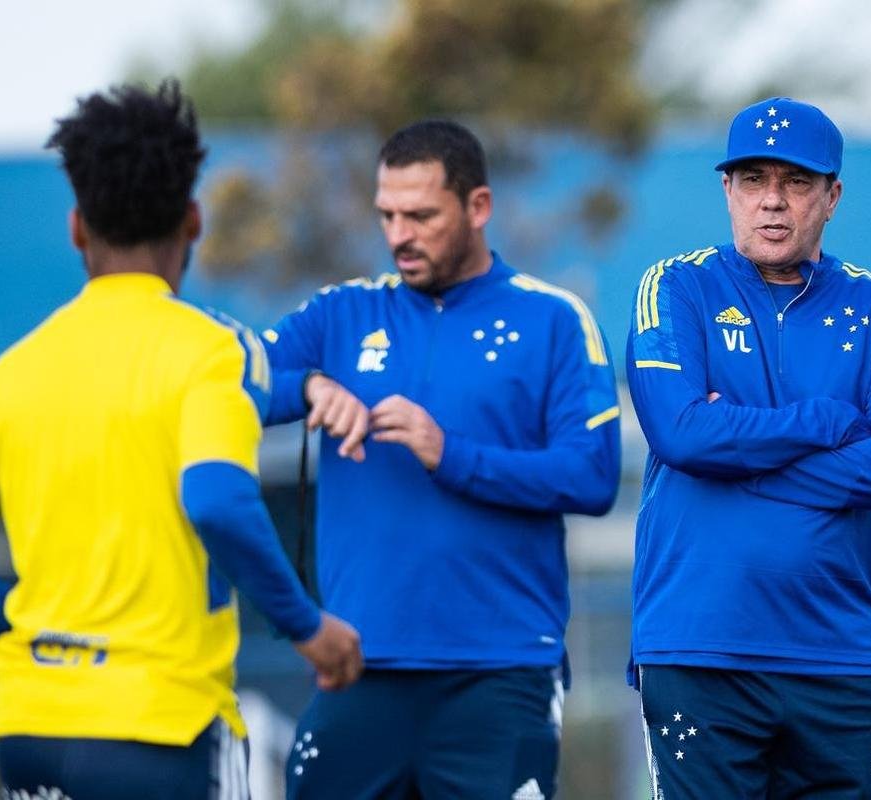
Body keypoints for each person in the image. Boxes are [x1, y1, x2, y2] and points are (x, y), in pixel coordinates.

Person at [0, 80, 362, 800]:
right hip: (160, 731)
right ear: (192, 220)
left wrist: (25, 640)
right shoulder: (211, 353)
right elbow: (215, 495)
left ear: (77, 228)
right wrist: (307, 627)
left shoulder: (8, 375)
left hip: (30, 733)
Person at [260, 119, 622, 799]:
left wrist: (450, 454)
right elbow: (224, 390)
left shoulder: (553, 319)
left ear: (477, 207)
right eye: (387, 215)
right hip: (358, 666)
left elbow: (592, 475)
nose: (399, 234)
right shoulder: (339, 314)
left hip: (500, 673)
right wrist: (304, 386)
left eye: (421, 215)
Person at [625, 96, 871, 798]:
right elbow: (678, 432)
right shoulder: (675, 286)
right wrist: (826, 419)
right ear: (726, 190)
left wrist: (730, 456)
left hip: (837, 658)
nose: (772, 202)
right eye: (752, 180)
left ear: (831, 196)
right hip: (699, 652)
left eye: (796, 183)